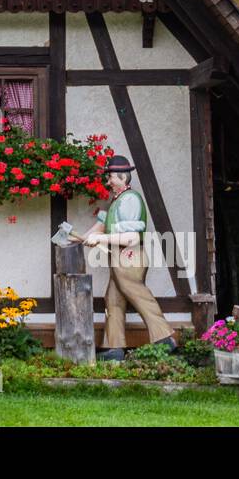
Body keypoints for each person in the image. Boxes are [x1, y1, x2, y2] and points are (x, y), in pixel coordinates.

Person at [80, 155, 176, 361]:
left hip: (130, 256)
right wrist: (85, 237)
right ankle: (114, 347)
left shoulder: (131, 200)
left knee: (138, 294)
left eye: (111, 177)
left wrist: (101, 239)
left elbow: (132, 237)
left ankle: (164, 337)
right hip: (118, 258)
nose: (108, 182)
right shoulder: (116, 201)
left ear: (123, 178)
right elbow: (101, 225)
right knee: (113, 300)